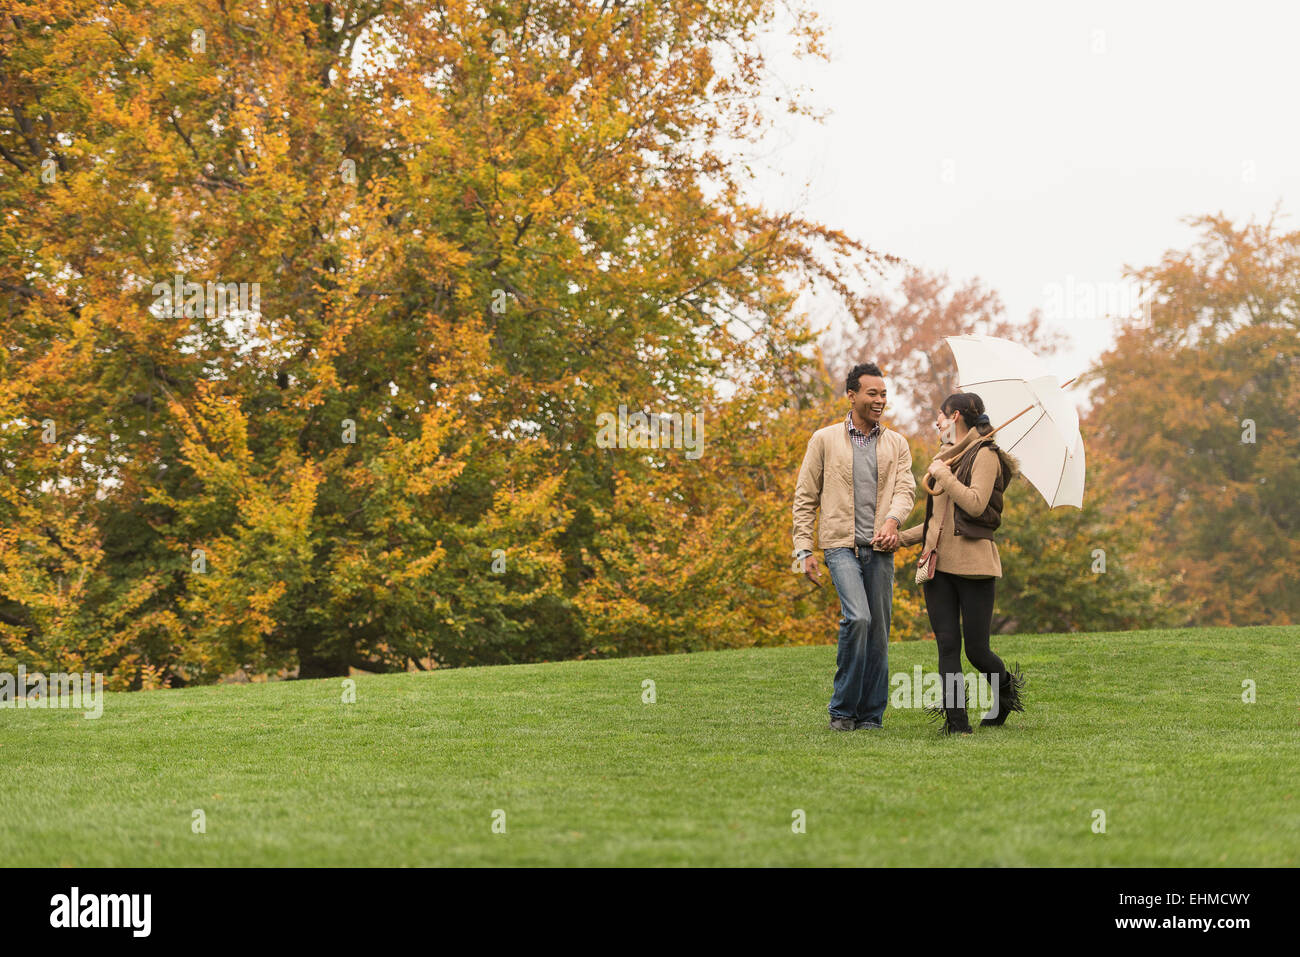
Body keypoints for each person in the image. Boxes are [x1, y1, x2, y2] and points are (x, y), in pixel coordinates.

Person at [792, 362, 916, 731]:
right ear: (852, 395)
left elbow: (905, 490)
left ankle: (870, 716)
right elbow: (805, 496)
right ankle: (843, 710)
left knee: (878, 631)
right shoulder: (824, 439)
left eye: (883, 394)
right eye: (872, 393)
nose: (880, 400)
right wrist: (804, 549)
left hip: (879, 549)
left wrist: (892, 522)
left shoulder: (897, 444)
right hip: (839, 546)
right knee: (858, 619)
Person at [898, 391, 1026, 735]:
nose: (937, 422)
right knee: (947, 646)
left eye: (940, 416)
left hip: (975, 568)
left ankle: (1005, 694)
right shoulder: (948, 458)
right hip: (938, 568)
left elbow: (975, 504)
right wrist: (897, 538)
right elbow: (935, 524)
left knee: (978, 651)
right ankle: (957, 724)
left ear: (954, 417)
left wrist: (944, 475)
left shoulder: (985, 456)